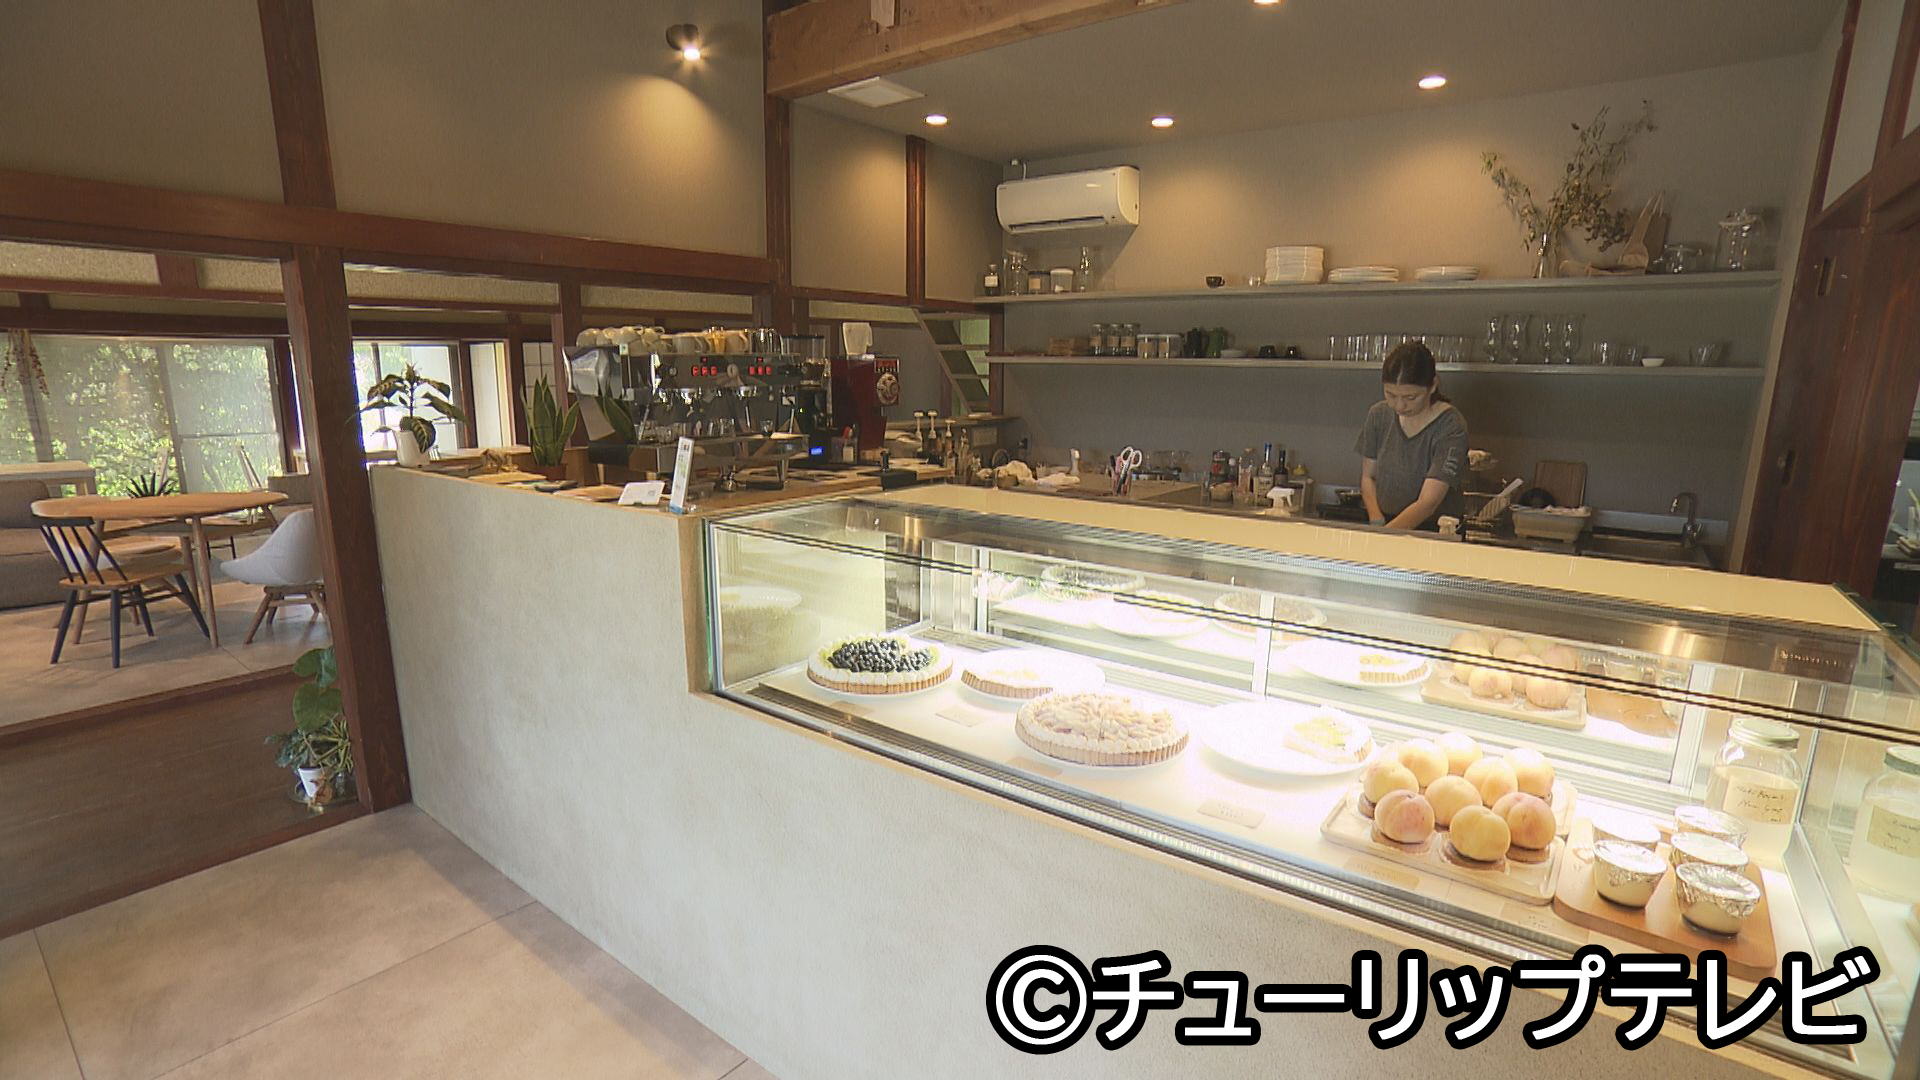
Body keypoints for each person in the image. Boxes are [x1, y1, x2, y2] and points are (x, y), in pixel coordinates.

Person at [1355, 342, 1467, 530]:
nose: (1399, 406)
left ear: (1433, 385)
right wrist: (1376, 520)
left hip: (1434, 529)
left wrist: (1387, 535)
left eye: (1411, 398)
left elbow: (1427, 502)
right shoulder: (1378, 415)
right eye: (1391, 395)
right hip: (1385, 522)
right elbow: (1368, 477)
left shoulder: (1451, 425)